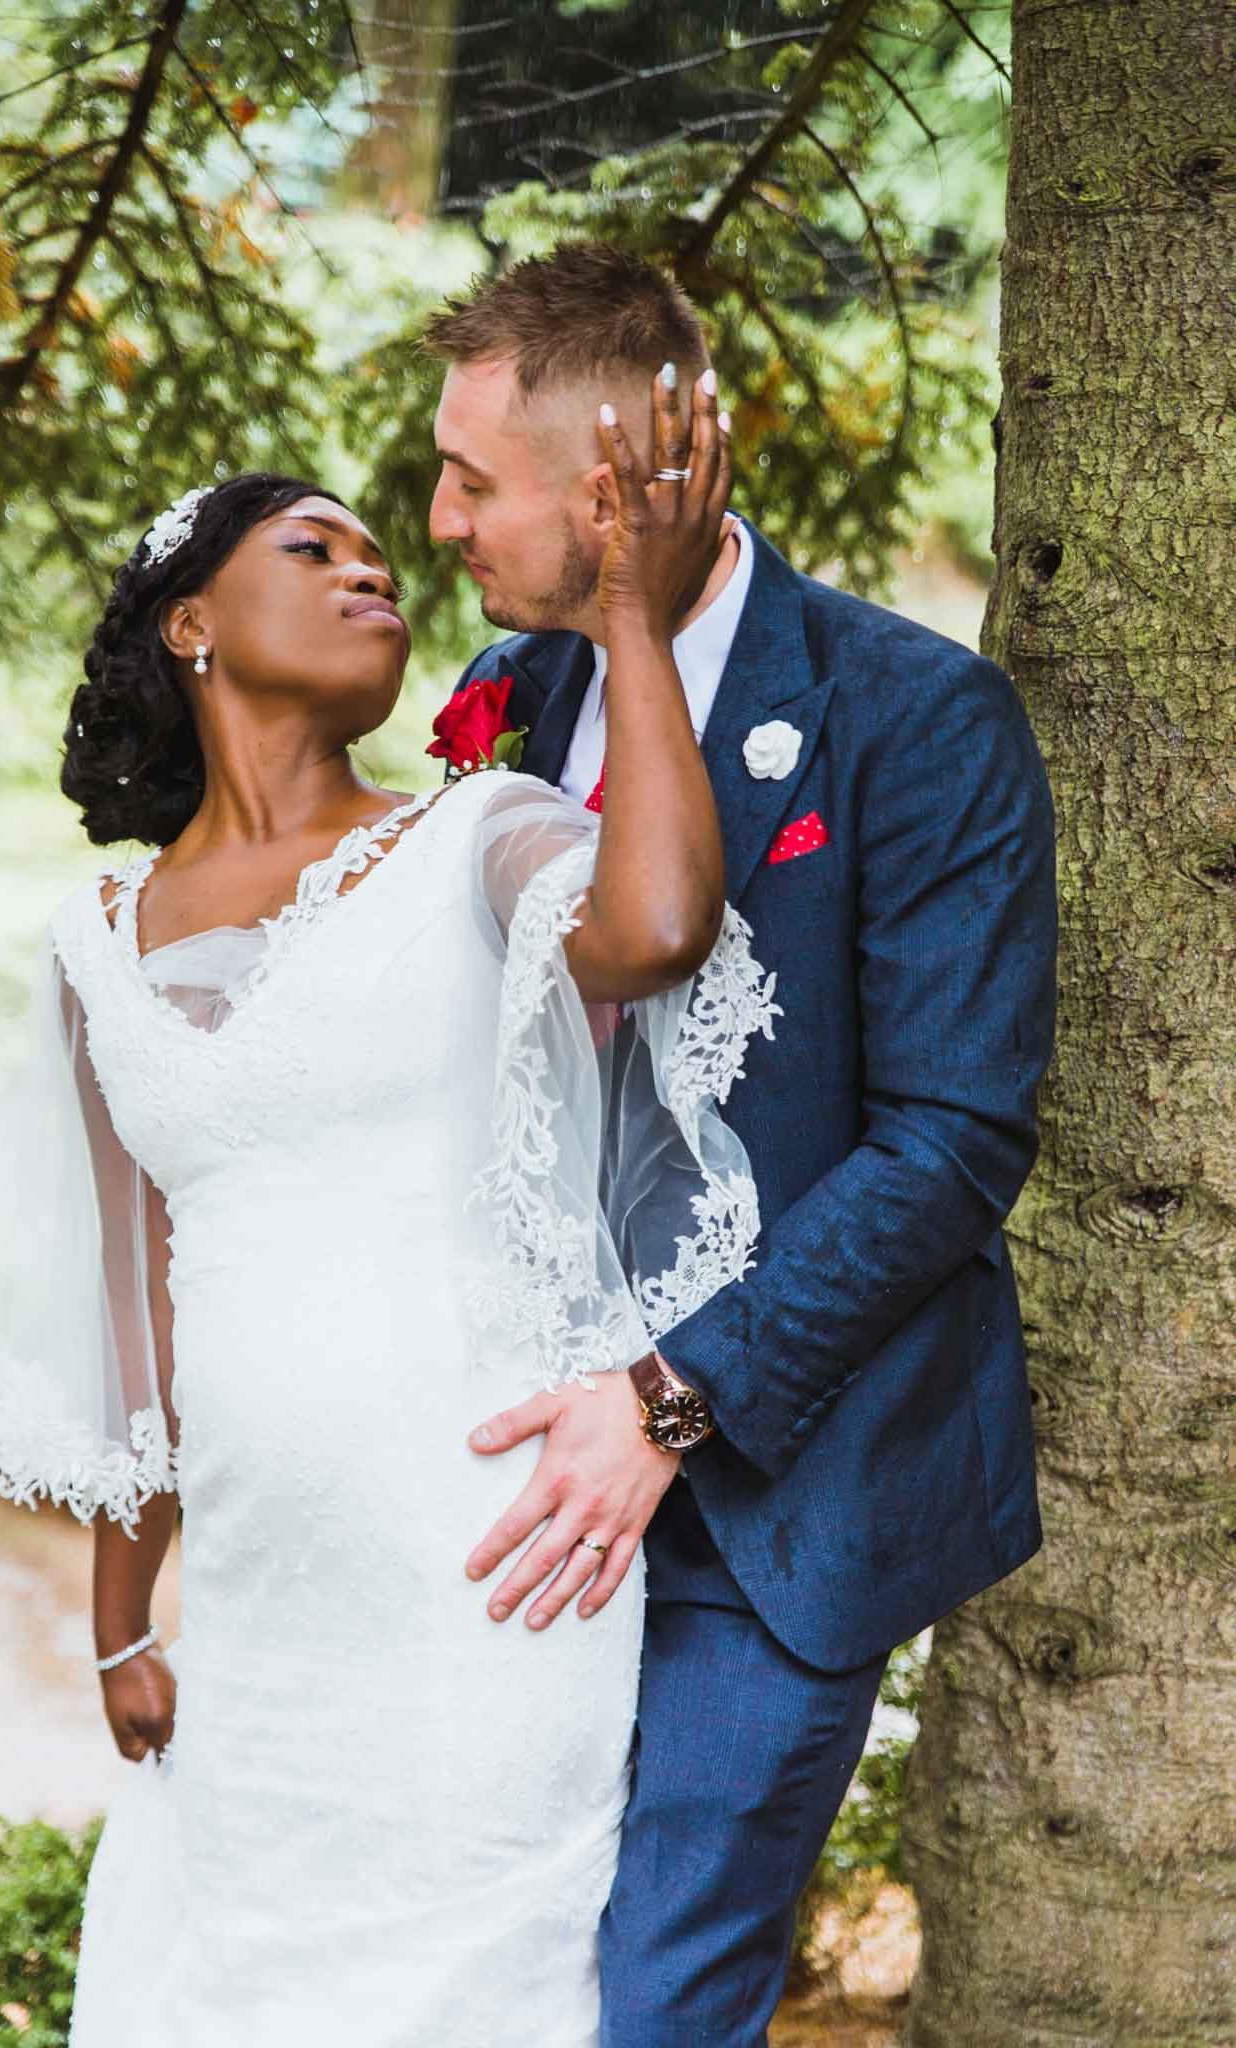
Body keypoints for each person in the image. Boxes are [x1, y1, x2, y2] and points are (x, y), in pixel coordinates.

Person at [0, 381, 785, 2046]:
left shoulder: (478, 836)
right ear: (191, 624)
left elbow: (660, 928)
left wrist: (633, 623)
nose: (374, 571)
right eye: (315, 547)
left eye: (386, 557)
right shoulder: (97, 939)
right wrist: (116, 1628)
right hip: (255, 1613)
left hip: (483, 1576)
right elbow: (139, 1305)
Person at [425, 241, 1058, 2045]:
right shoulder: (511, 697)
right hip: (521, 1483)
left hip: (779, 1502)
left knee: (653, 2005)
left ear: (614, 490)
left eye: (478, 479)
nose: (444, 517)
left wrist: (671, 1399)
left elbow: (949, 1143)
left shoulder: (916, 717)